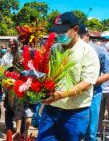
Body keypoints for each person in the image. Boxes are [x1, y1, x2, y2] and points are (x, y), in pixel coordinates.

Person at [37, 12, 100, 141]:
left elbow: (87, 83)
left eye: (63, 32)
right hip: (51, 109)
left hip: (75, 113)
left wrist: (60, 95)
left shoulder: (88, 52)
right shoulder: (54, 49)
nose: (59, 35)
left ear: (75, 30)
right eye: (56, 32)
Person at [78, 25, 109, 141]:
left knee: (91, 131)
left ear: (87, 36)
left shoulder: (100, 51)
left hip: (94, 93)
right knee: (74, 128)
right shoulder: (72, 50)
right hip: (74, 93)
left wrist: (89, 82)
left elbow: (108, 74)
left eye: (80, 37)